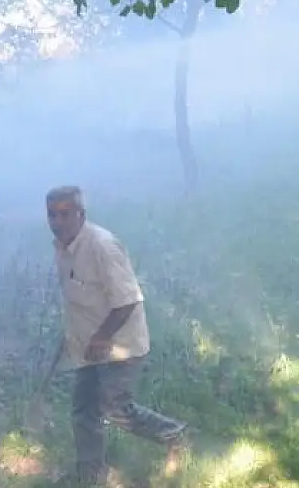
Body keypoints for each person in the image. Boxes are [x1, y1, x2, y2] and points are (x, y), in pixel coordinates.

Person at [45, 185, 187, 485]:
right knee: (83, 410)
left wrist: (101, 337)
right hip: (87, 347)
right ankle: (91, 474)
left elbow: (129, 300)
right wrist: (71, 337)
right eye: (51, 215)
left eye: (64, 214)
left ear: (81, 214)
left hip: (120, 344)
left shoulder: (102, 246)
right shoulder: (62, 248)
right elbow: (77, 298)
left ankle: (174, 435)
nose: (57, 222)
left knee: (115, 409)